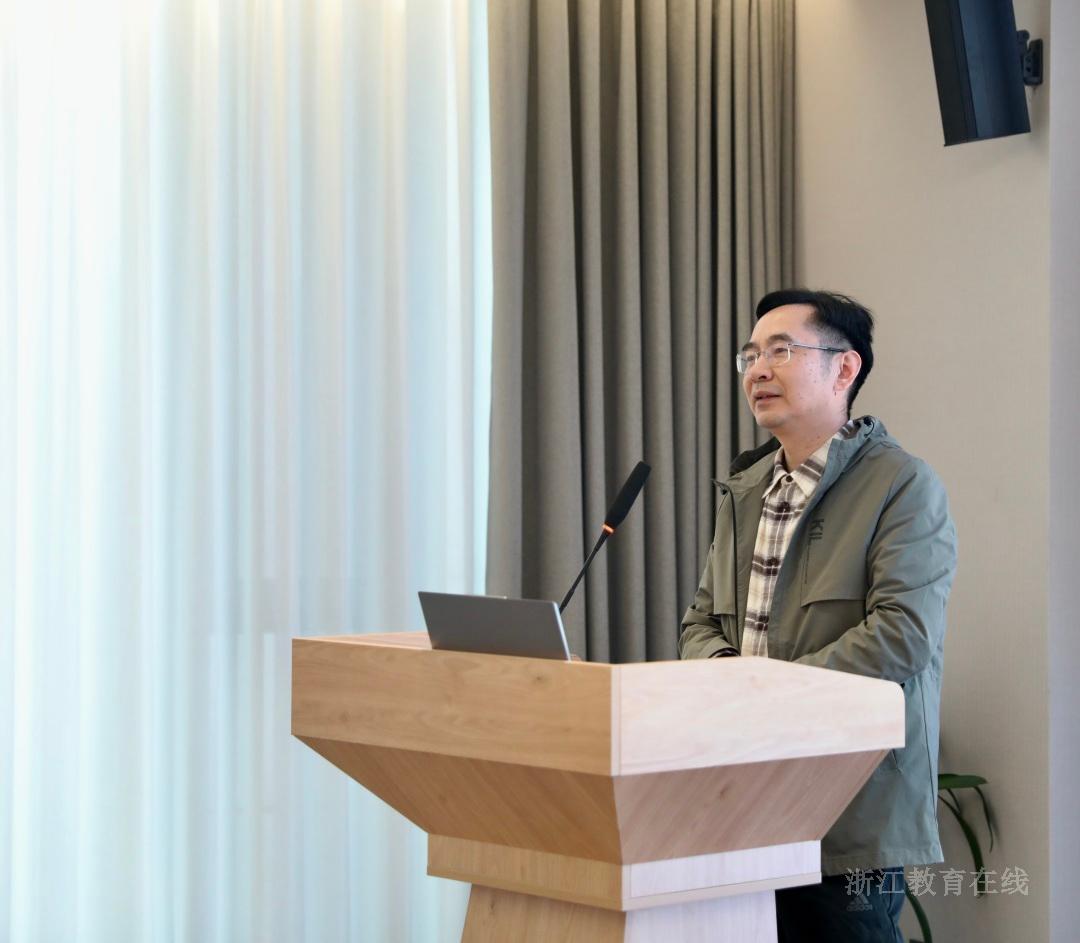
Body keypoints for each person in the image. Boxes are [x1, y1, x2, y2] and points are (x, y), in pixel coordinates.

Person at [679, 289, 957, 943]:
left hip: (847, 807)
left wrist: (768, 693)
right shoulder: (745, 492)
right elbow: (699, 624)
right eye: (751, 355)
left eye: (781, 350)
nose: (758, 369)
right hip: (743, 797)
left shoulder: (902, 484)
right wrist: (730, 678)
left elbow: (903, 635)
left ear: (844, 369)